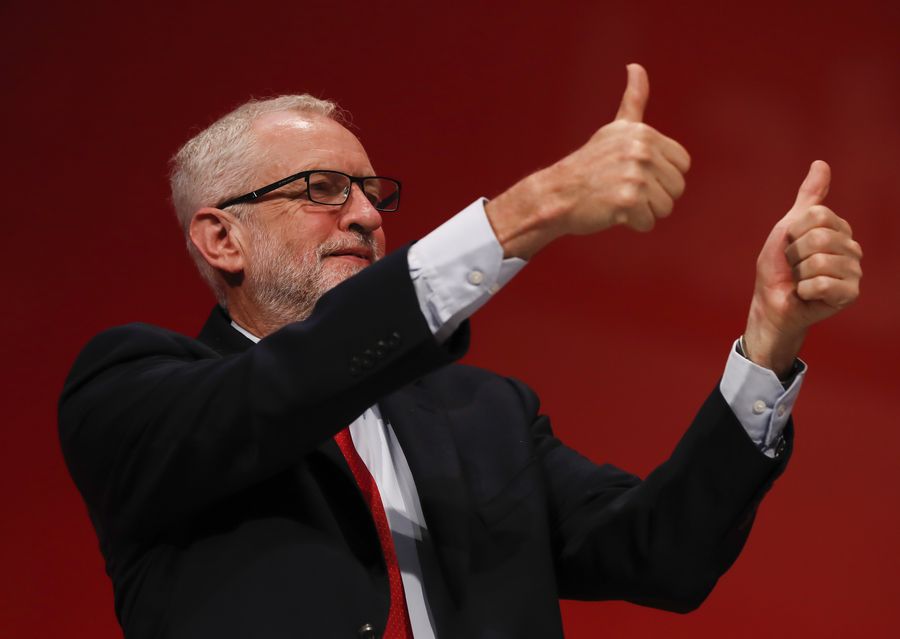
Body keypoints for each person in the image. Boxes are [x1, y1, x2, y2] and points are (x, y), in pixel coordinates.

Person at [59, 64, 863, 639]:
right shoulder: (132, 392)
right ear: (221, 238)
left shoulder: (483, 415)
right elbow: (289, 385)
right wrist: (533, 209)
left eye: (372, 192)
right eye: (323, 190)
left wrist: (770, 340)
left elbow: (662, 553)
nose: (367, 215)